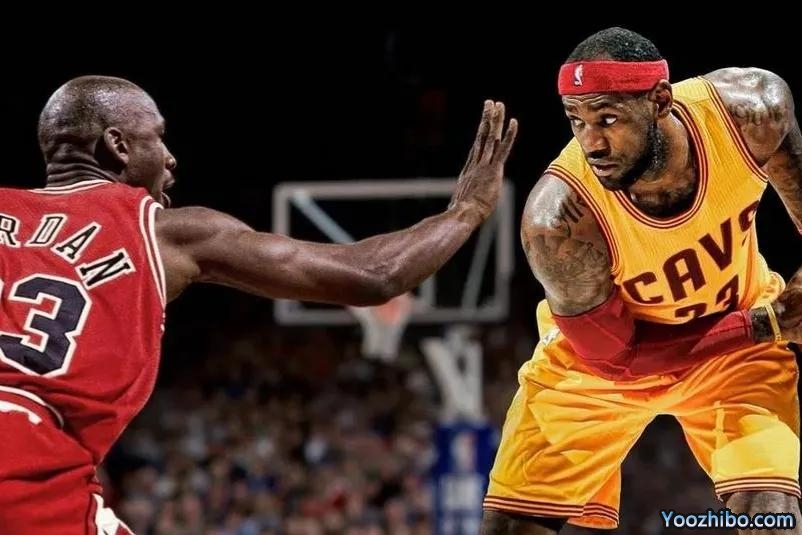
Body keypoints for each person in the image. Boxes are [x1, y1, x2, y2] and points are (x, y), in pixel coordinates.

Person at [0, 75, 517, 534]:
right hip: (30, 468)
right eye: (158, 137)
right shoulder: (166, 232)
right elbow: (375, 275)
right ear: (117, 145)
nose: (171, 157)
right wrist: (466, 210)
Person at [481, 26, 802, 534]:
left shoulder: (749, 115)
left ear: (660, 101)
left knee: (770, 514)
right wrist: (766, 324)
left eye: (607, 118)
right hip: (603, 370)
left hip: (734, 349)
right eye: (576, 121)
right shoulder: (557, 220)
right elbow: (619, 359)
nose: (592, 142)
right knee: (510, 527)